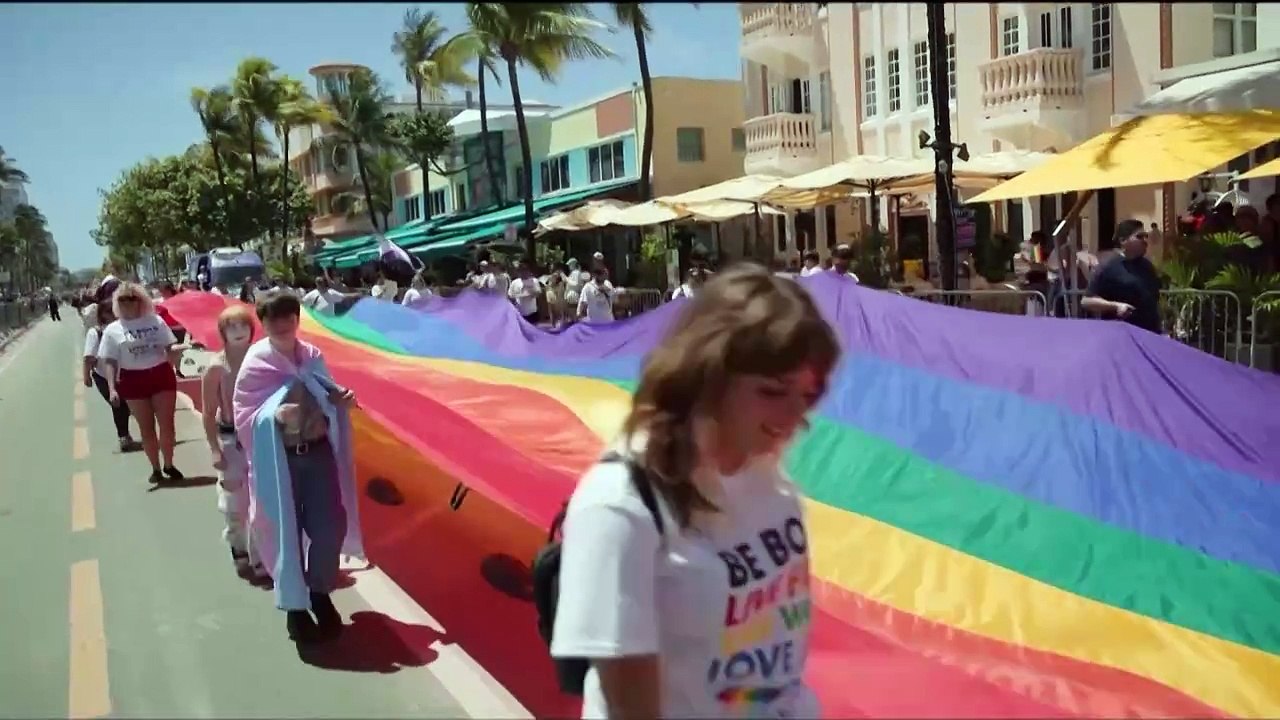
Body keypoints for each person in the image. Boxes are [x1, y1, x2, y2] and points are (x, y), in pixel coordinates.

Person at [551, 264, 838, 719]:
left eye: (807, 394)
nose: (795, 415)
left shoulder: (768, 478)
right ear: (709, 377)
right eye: (772, 391)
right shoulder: (620, 506)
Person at [233, 291, 363, 643]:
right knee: (281, 531)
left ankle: (319, 593)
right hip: (279, 460)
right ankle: (294, 606)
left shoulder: (312, 356)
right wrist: (272, 416)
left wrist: (341, 400)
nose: (282, 322)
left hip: (318, 453)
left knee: (328, 528)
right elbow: (244, 414)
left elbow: (327, 393)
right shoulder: (256, 362)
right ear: (264, 321)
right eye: (274, 317)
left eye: (288, 315)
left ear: (297, 319)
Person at [202, 305, 268, 583]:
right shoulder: (216, 366)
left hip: (261, 439)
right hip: (230, 438)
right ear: (223, 333)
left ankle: (262, 554)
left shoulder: (264, 357)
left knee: (262, 500)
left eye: (243, 326)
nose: (238, 332)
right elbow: (207, 412)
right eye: (231, 327)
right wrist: (215, 449)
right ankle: (238, 547)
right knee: (234, 501)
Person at [99, 282, 184, 484]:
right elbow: (110, 360)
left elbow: (170, 346)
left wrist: (179, 350)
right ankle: (155, 467)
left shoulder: (155, 321)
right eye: (123, 299)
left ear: (141, 300)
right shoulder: (113, 330)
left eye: (133, 298)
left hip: (160, 374)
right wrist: (112, 388)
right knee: (146, 428)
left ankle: (169, 464)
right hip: (132, 379)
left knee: (167, 425)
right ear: (116, 303)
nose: (128, 303)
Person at [1082, 219, 1162, 334]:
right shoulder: (1108, 266)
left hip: (1149, 334)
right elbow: (1086, 301)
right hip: (1122, 335)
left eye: (1146, 236)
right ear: (1123, 240)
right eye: (1139, 237)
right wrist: (1115, 306)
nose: (1145, 241)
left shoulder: (1147, 266)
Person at [82, 301, 139, 453]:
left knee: (126, 406)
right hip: (102, 376)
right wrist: (86, 375)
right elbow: (88, 357)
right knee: (118, 404)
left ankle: (125, 434)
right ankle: (123, 437)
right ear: (103, 315)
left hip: (124, 374)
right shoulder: (95, 333)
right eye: (111, 312)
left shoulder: (124, 330)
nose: (115, 315)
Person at [509, 259, 543, 324]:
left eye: (525, 269)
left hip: (532, 313)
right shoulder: (514, 282)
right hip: (519, 313)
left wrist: (531, 292)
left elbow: (538, 293)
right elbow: (510, 296)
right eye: (521, 270)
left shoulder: (534, 281)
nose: (523, 272)